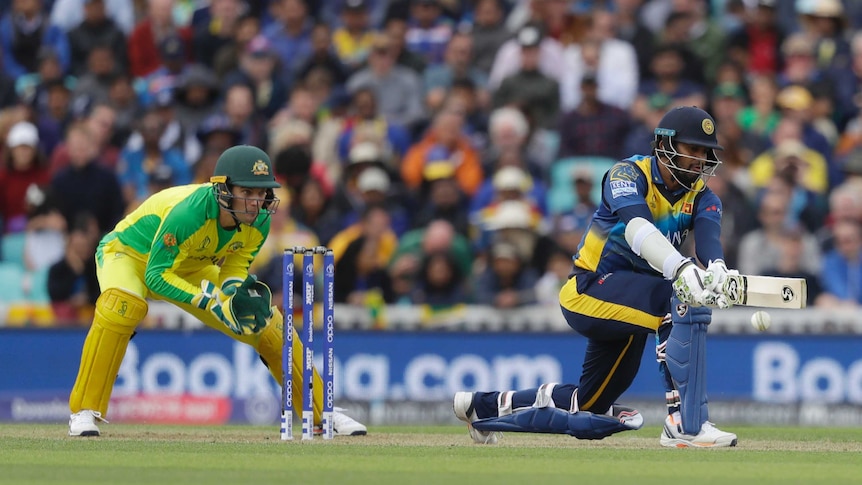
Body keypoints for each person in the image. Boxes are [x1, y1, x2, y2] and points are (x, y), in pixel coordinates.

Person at [454, 106, 740, 448]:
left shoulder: (705, 198)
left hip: (634, 302)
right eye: (692, 149)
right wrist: (681, 269)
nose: (700, 160)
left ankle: (481, 407)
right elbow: (637, 228)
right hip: (590, 289)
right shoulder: (626, 174)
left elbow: (709, 241)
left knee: (590, 405)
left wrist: (718, 270)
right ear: (665, 145)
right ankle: (685, 423)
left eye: (705, 152)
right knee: (676, 299)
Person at [67, 145, 367, 438]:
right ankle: (84, 410)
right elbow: (155, 276)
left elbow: (233, 270)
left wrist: (233, 298)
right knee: (124, 305)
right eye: (246, 192)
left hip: (191, 265)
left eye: (261, 193)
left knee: (269, 327)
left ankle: (322, 414)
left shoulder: (259, 220)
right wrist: (210, 302)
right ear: (223, 189)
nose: (255, 202)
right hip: (129, 255)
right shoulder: (189, 213)